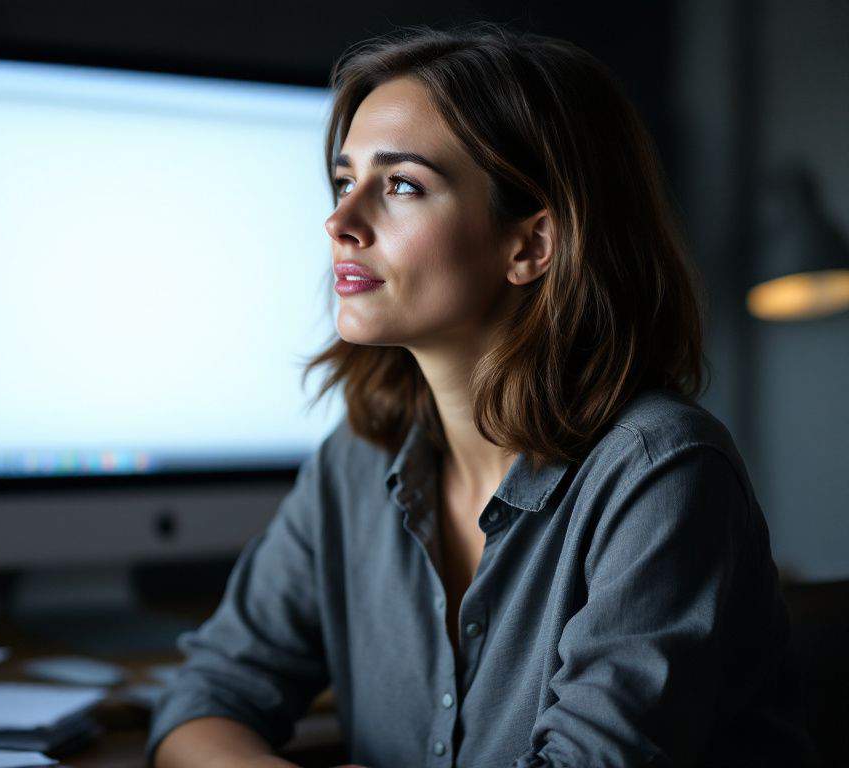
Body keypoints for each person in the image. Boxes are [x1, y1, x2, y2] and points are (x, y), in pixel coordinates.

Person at [147, 22, 818, 768]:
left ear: (530, 245)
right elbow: (201, 700)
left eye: (400, 185)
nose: (340, 222)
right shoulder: (355, 463)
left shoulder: (660, 472)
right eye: (344, 182)